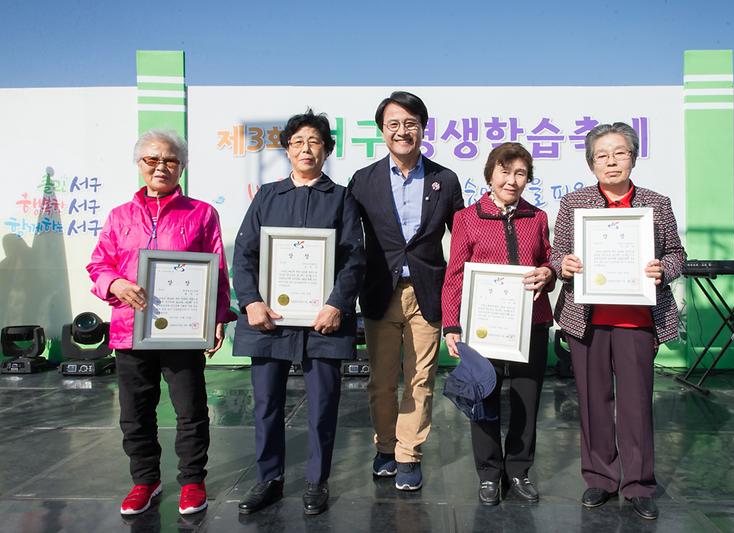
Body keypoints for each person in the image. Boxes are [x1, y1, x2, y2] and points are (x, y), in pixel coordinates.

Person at [87, 129, 236, 516]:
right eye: (152, 159)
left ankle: (191, 481)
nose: (161, 167)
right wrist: (115, 283)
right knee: (135, 412)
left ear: (181, 166)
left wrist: (218, 317)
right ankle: (144, 480)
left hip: (184, 329)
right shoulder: (120, 216)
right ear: (139, 165)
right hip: (128, 329)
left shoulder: (201, 212)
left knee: (191, 409)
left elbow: (217, 267)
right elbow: (98, 264)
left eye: (170, 160)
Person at [550, 122, 686, 520]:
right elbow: (556, 254)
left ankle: (639, 484)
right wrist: (566, 265)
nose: (611, 162)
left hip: (638, 321)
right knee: (592, 402)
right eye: (602, 155)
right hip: (587, 321)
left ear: (633, 157)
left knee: (637, 405)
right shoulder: (574, 203)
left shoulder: (655, 203)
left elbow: (678, 253)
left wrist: (665, 267)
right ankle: (599, 478)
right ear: (591, 163)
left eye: (619, 153)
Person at [232, 110, 365, 516]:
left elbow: (354, 258)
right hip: (269, 319)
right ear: (287, 149)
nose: (306, 149)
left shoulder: (342, 198)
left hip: (323, 321)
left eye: (315, 141)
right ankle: (269, 479)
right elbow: (244, 254)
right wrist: (251, 300)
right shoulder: (268, 196)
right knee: (266, 403)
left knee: (323, 404)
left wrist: (336, 304)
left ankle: (316, 480)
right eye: (298, 142)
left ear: (326, 150)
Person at [348, 91, 464, 491]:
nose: (402, 131)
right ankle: (384, 447)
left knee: (420, 379)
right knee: (381, 380)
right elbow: (348, 240)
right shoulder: (363, 181)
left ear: (422, 129)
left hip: (427, 291)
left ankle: (409, 453)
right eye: (394, 124)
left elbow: (463, 240)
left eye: (410, 124)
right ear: (382, 131)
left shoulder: (444, 180)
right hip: (380, 292)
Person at [440, 142, 555, 506]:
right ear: (490, 174)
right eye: (505, 171)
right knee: (483, 398)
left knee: (527, 400)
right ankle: (489, 474)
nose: (512, 180)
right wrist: (451, 324)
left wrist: (548, 273)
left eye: (520, 173)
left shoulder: (536, 218)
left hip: (530, 326)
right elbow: (455, 275)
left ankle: (519, 470)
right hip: (482, 328)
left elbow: (549, 260)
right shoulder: (466, 218)